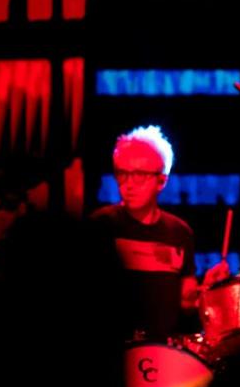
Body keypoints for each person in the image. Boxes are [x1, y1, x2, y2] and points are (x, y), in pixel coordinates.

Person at [91, 125, 228, 344]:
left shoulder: (179, 233)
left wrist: (208, 290)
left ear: (161, 180)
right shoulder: (101, 225)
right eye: (122, 173)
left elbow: (187, 305)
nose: (128, 184)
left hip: (162, 353)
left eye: (139, 175)